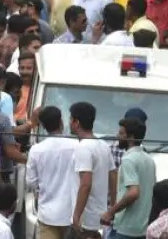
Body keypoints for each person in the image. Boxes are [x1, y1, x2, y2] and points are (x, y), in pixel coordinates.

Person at [102, 116, 155, 238]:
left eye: (121, 133)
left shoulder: (128, 160)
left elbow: (133, 193)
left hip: (125, 229)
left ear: (130, 136)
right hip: (142, 228)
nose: (117, 136)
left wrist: (110, 212)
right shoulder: (149, 159)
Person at [71, 101, 115, 239]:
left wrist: (76, 215)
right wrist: (112, 208)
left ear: (76, 122)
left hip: (87, 218)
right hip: (100, 215)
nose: (69, 122)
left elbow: (86, 184)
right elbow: (113, 176)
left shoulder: (83, 147)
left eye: (71, 119)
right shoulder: (103, 144)